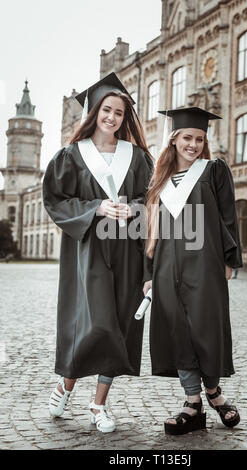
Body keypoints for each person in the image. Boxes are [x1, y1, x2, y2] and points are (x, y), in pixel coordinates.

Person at [43, 72, 153, 433]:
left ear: (125, 119)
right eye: (106, 110)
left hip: (127, 252)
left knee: (119, 324)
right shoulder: (70, 157)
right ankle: (67, 383)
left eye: (119, 113)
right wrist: (96, 209)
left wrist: (133, 210)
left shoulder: (136, 157)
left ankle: (99, 404)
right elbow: (56, 200)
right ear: (93, 113)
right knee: (93, 323)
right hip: (87, 250)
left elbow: (149, 200)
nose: (112, 118)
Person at [143, 107, 243, 435]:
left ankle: (214, 393)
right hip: (168, 267)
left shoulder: (214, 170)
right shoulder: (160, 181)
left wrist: (230, 260)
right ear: (173, 140)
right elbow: (152, 232)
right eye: (187, 138)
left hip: (205, 263)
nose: (194, 144)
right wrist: (148, 273)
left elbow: (228, 216)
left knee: (206, 329)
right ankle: (192, 403)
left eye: (199, 138)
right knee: (179, 332)